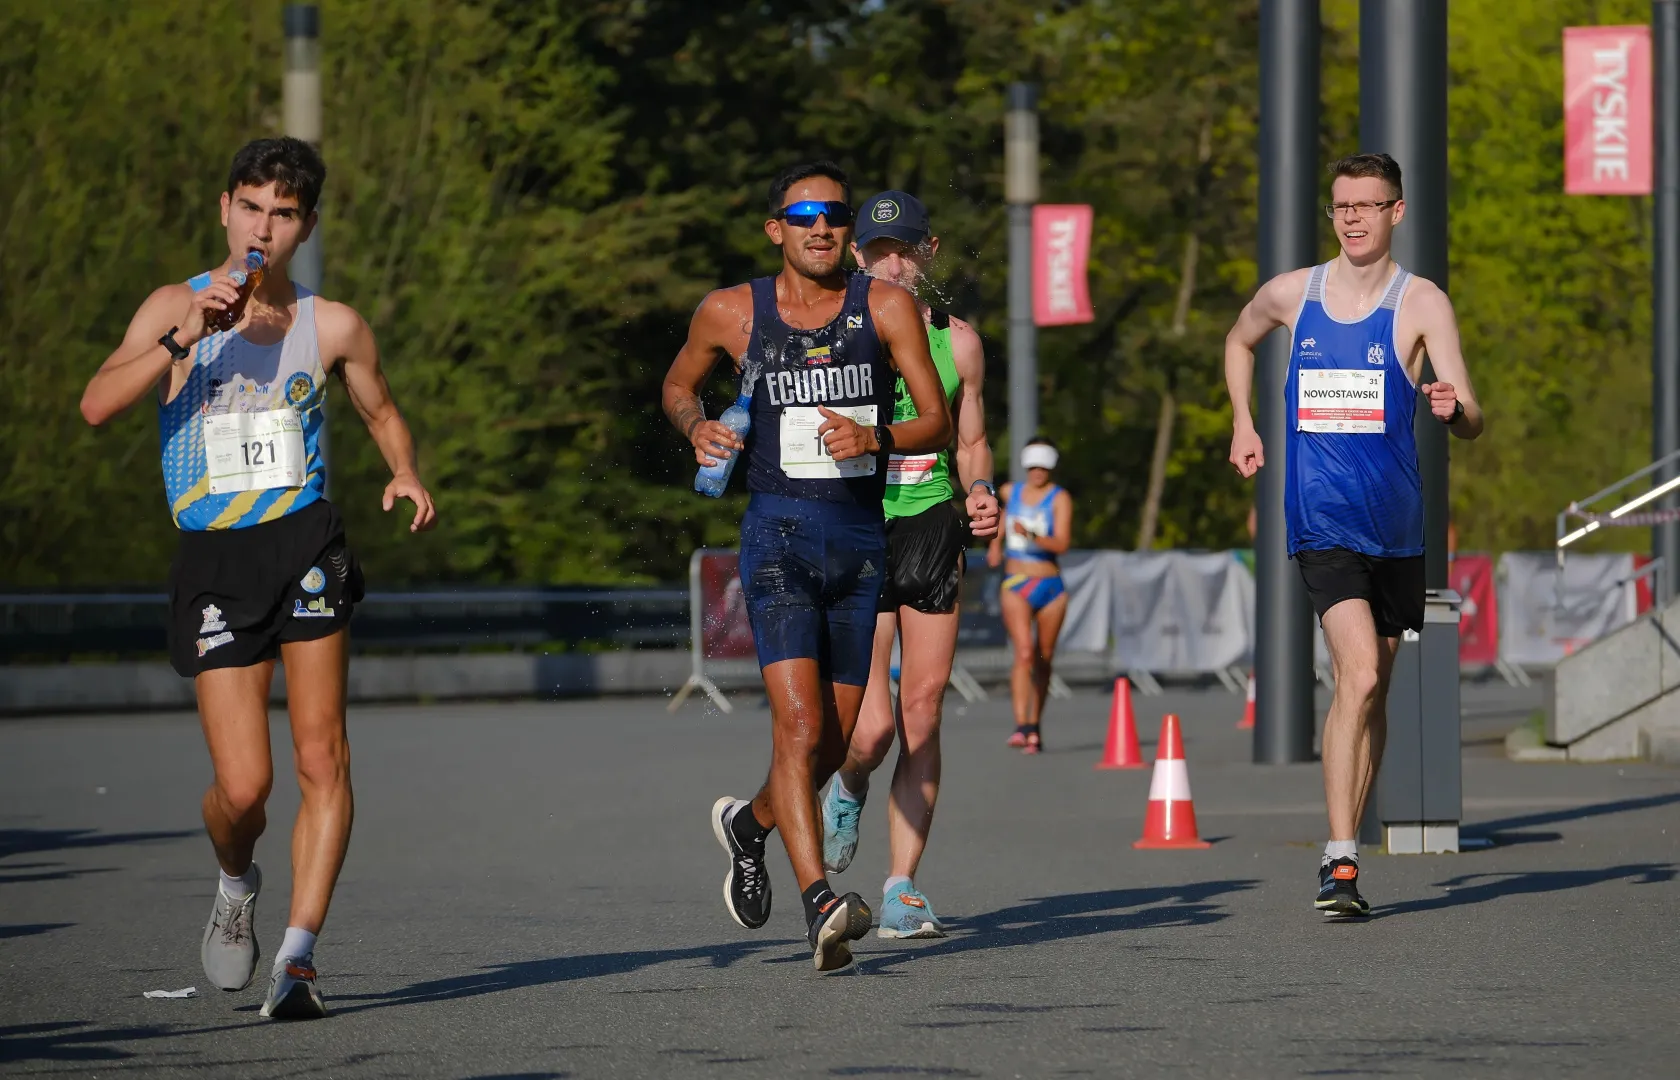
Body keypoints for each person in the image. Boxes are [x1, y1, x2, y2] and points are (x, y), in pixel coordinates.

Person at [79, 137, 436, 1017]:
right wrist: (182, 334)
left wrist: (405, 470)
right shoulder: (173, 304)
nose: (263, 228)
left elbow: (381, 408)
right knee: (244, 788)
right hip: (216, 558)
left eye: (283, 214)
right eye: (251, 208)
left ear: (304, 226)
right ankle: (236, 884)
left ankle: (300, 958)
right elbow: (95, 405)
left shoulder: (334, 324)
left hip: (307, 542)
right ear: (224, 209)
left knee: (323, 756)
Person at [660, 162, 951, 971]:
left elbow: (938, 419)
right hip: (779, 539)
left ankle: (749, 827)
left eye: (835, 216)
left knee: (834, 745)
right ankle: (821, 900)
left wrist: (878, 438)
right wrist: (696, 425)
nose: (821, 228)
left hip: (861, 545)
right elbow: (678, 385)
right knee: (800, 727)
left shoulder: (885, 306)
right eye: (804, 215)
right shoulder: (731, 311)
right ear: (775, 229)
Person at [1222, 152, 1482, 916]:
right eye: (1342, 207)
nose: (1354, 219)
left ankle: (1347, 848)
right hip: (1320, 518)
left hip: (1396, 524)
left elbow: (1471, 414)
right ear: (1331, 213)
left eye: (1369, 206)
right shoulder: (1291, 295)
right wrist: (1245, 420)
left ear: (1396, 212)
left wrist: (1451, 410)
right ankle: (1340, 860)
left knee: (1375, 691)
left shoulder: (1422, 303)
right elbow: (1238, 341)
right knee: (1359, 675)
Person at [816, 191, 1000, 940]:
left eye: (906, 248)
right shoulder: (832, 336)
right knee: (872, 731)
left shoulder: (959, 343)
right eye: (877, 250)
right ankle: (850, 784)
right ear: (857, 256)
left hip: (928, 523)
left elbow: (972, 440)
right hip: (856, 528)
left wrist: (983, 490)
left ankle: (901, 887)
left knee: (922, 713)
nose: (892, 261)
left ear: (929, 252)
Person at [986, 438, 1074, 754]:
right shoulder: (1011, 492)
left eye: (1044, 467)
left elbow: (1062, 543)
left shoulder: (1059, 498)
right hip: (1017, 582)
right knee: (1024, 652)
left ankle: (1035, 724)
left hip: (1050, 586)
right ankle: (1021, 724)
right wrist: (995, 545)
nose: (1038, 472)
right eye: (1034, 467)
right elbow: (998, 519)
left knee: (1043, 657)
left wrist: (1033, 535)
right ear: (1027, 466)